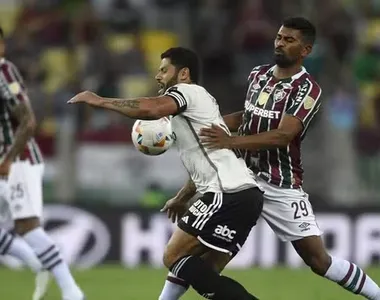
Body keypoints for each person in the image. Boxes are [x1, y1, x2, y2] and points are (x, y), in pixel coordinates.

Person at [157, 17, 380, 300]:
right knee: (203, 259)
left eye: (289, 40)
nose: (280, 43)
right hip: (241, 181)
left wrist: (230, 140)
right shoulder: (258, 75)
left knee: (318, 261)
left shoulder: (307, 90)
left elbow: (282, 136)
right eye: (279, 37)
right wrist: (206, 125)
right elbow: (247, 117)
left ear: (306, 50)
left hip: (280, 184)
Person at [68, 47, 264, 300]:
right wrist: (182, 198)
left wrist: (100, 101)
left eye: (163, 70)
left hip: (226, 193)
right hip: (247, 196)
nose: (158, 76)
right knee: (204, 269)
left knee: (173, 256)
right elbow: (206, 164)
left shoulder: (186, 91)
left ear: (183, 73)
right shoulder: (201, 105)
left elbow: (152, 109)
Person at [0, 27, 85, 300]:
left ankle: (71, 291)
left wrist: (9, 158)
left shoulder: (4, 71)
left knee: (28, 226)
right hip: (6, 160)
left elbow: (28, 120)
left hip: (19, 159)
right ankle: (37, 264)